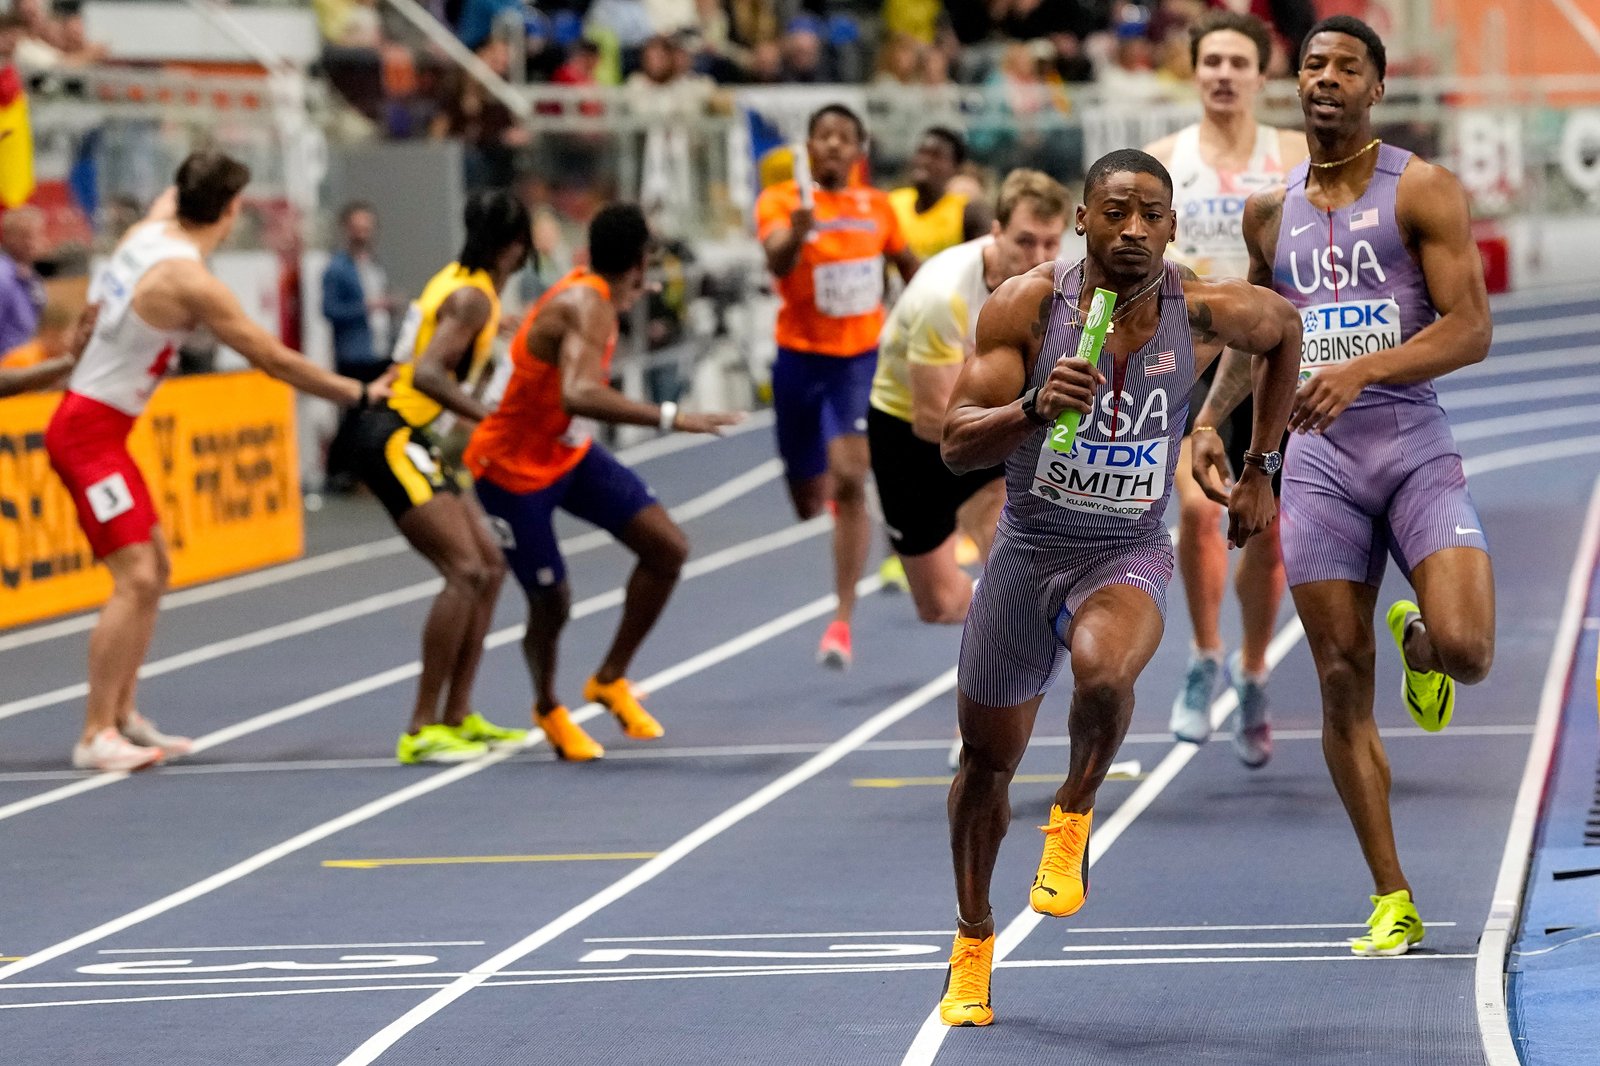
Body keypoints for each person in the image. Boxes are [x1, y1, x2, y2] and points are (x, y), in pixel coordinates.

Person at [933, 148, 1302, 1027]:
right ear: (1083, 220)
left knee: (1105, 670)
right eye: (1114, 211)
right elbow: (953, 444)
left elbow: (1285, 330)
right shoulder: (1026, 307)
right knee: (985, 762)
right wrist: (1029, 409)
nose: (1132, 228)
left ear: (1172, 227)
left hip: (1125, 549)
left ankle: (1075, 812)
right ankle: (974, 939)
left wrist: (1261, 467)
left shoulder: (1200, 307)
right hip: (1026, 551)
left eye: (1150, 214)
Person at [1192, 15, 1496, 957]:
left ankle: (1423, 648)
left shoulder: (1424, 190)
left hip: (1409, 447)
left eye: (1345, 67)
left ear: (1376, 87)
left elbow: (1471, 327)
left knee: (1470, 649)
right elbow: (1260, 334)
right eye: (1313, 64)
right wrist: (1209, 421)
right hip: (1316, 467)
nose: (1324, 78)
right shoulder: (1267, 212)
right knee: (1335, 678)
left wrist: (1365, 371)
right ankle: (1393, 895)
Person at [44, 151, 388, 772]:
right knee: (137, 578)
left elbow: (172, 199)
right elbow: (274, 359)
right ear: (230, 212)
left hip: (103, 427)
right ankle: (95, 732)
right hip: (86, 435)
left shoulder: (149, 230)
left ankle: (123, 715)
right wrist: (359, 393)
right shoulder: (190, 282)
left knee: (158, 566)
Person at [465, 204, 742, 760]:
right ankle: (547, 706)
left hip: (566, 455)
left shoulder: (592, 295)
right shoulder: (586, 306)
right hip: (512, 470)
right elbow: (580, 393)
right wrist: (671, 417)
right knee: (553, 601)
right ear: (639, 264)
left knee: (666, 548)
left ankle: (609, 679)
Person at [1143, 10, 1307, 765]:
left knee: (1264, 532)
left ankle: (1253, 671)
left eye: (1238, 61)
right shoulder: (1164, 159)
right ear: (1194, 69)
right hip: (1189, 358)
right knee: (1194, 510)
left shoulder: (1296, 156)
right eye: (1211, 61)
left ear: (1262, 74)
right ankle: (1205, 659)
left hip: (1271, 357)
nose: (1223, 74)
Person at [344, 189, 533, 765]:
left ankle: (459, 714)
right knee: (465, 568)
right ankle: (422, 725)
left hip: (415, 437)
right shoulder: (473, 297)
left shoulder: (462, 282)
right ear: (515, 248)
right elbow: (428, 374)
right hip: (395, 433)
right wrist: (492, 419)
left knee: (492, 567)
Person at [756, 103, 919, 669]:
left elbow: (910, 268)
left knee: (851, 478)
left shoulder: (879, 208)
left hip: (857, 360)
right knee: (808, 499)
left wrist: (926, 316)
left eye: (842, 137)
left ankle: (842, 621)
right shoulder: (781, 201)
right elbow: (776, 263)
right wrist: (796, 236)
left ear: (859, 150)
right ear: (807, 148)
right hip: (799, 362)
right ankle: (823, 496)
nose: (831, 145)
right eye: (821, 136)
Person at [870, 168, 1069, 627]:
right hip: (910, 433)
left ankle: (1027, 625)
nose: (1037, 256)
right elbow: (933, 423)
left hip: (994, 414)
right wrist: (1025, 415)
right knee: (939, 606)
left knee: (1010, 539)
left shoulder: (1058, 287)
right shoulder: (944, 296)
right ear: (995, 232)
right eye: (1024, 241)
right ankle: (1003, 607)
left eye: (1050, 243)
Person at [887, 127, 993, 264]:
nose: (925, 161)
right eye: (921, 152)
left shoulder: (968, 212)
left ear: (956, 167)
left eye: (936, 156)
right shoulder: (892, 203)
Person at [321, 201, 393, 383]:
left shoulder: (374, 264)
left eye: (366, 228)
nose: (362, 233)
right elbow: (329, 310)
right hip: (354, 355)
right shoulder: (337, 268)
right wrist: (365, 307)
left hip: (381, 349)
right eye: (357, 228)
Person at [0, 204, 46, 354]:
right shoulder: (3, 278)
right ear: (7, 238)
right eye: (25, 235)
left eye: (37, 234)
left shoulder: (31, 277)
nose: (32, 242)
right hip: (9, 369)